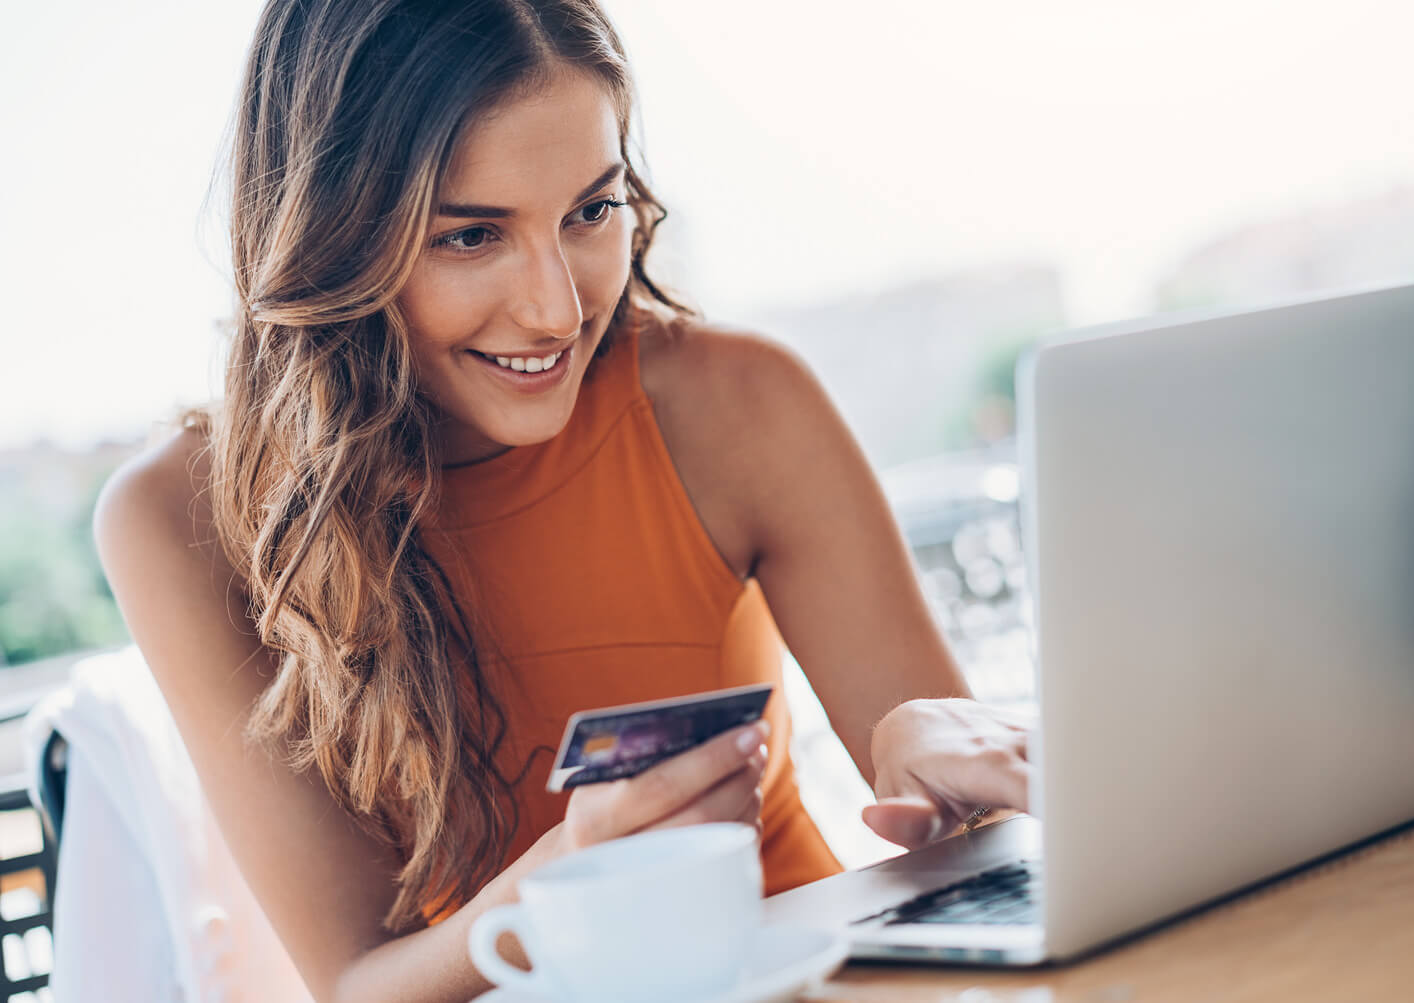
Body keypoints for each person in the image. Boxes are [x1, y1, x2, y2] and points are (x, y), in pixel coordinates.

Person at [93, 1, 1033, 1000]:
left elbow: (982, 843)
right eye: (470, 236)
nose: (557, 308)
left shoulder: (738, 403)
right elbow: (356, 983)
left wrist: (928, 754)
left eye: (590, 211)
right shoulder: (179, 519)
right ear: (334, 239)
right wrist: (565, 885)